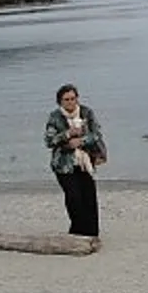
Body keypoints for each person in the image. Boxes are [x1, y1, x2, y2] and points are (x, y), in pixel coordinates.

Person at [44, 83, 106, 237]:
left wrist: (81, 141)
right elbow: (49, 141)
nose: (70, 102)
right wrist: (67, 134)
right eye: (66, 100)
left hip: (85, 162)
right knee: (73, 198)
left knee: (89, 198)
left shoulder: (86, 113)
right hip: (63, 164)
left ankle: (92, 234)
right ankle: (77, 231)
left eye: (73, 98)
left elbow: (96, 134)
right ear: (60, 102)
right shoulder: (55, 117)